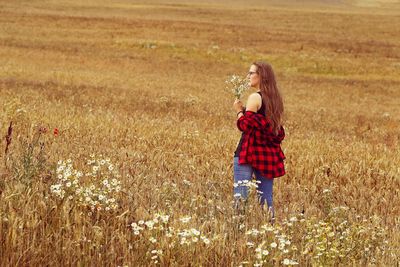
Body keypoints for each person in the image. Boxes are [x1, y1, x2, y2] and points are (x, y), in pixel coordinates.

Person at [232, 61, 286, 220]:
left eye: (251, 73)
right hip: (268, 155)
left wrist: (238, 112)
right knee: (266, 198)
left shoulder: (255, 97)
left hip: (248, 152)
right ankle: (269, 230)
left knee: (241, 196)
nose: (248, 76)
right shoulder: (276, 99)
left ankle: (238, 230)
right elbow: (268, 127)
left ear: (261, 75)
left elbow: (245, 125)